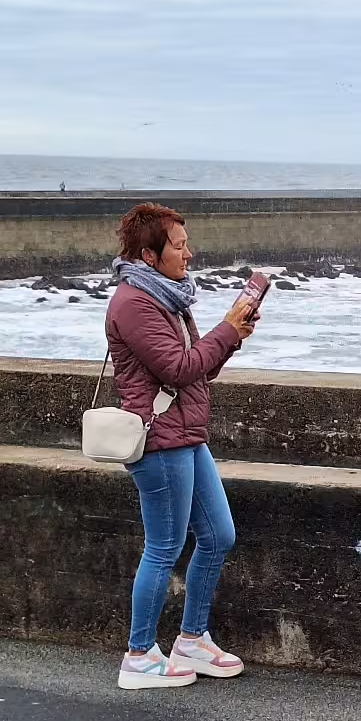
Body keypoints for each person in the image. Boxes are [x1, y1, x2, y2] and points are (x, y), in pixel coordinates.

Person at [106, 202, 259, 690]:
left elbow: (197, 367)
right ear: (150, 255)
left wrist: (232, 337)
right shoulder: (133, 303)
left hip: (186, 435)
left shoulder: (165, 299)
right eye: (179, 246)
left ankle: (191, 640)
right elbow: (177, 370)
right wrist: (226, 330)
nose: (189, 254)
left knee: (219, 536)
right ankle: (138, 654)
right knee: (164, 546)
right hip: (159, 442)